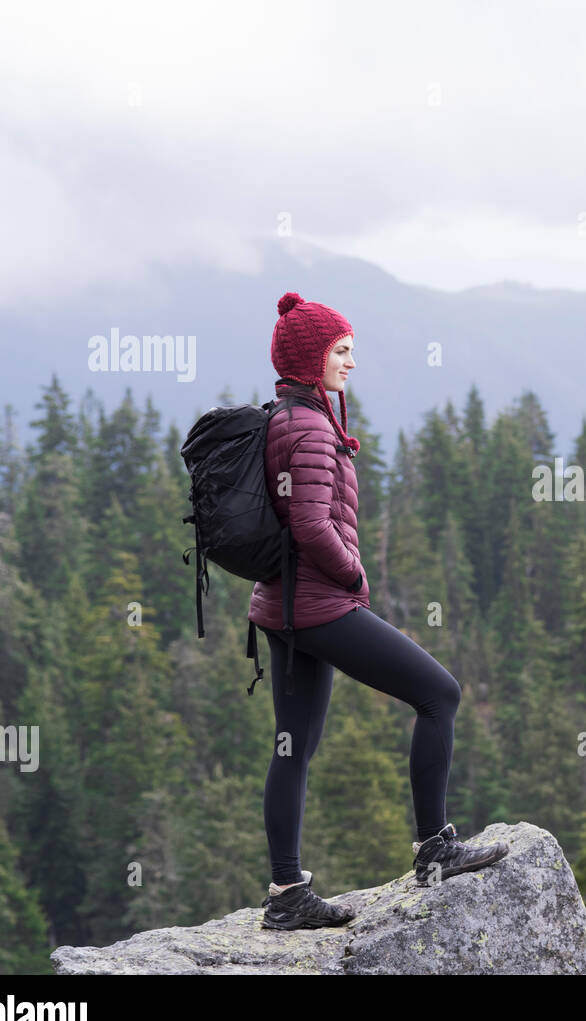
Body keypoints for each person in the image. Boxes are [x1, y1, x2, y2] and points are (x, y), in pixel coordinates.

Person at [249, 291, 508, 932]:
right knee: (439, 694)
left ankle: (287, 894)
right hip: (317, 606)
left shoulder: (288, 416)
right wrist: (355, 572)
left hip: (282, 609)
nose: (351, 362)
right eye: (341, 351)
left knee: (294, 745)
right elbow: (311, 525)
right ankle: (434, 849)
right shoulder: (308, 426)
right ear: (312, 357)